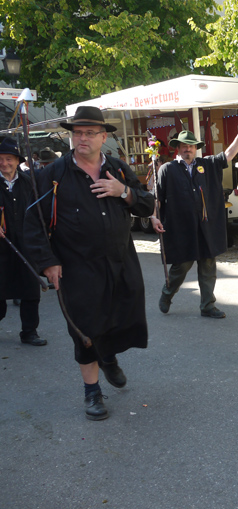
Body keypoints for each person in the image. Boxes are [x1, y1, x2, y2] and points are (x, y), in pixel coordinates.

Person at [24, 106, 155, 421]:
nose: (82, 138)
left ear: (103, 136)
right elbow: (33, 222)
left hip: (121, 261)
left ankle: (107, 356)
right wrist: (48, 262)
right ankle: (92, 392)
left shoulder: (119, 169)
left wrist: (123, 191)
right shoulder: (52, 175)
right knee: (83, 328)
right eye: (77, 132)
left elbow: (148, 204)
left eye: (89, 133)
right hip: (78, 267)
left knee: (120, 317)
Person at [152, 120, 238, 318]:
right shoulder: (167, 170)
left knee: (208, 264)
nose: (188, 149)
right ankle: (167, 294)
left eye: (191, 146)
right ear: (178, 148)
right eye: (184, 146)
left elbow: (228, 155)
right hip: (181, 227)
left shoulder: (207, 164)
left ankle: (207, 305)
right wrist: (154, 218)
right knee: (182, 265)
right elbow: (158, 198)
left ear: (196, 148)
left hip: (206, 226)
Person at [0, 139, 46, 346]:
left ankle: (29, 331)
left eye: (8, 159)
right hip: (1, 247)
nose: (4, 163)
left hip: (26, 244)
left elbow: (40, 211)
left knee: (30, 289)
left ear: (17, 160)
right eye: (0, 159)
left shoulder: (29, 183)